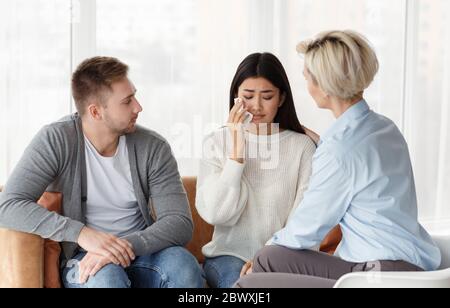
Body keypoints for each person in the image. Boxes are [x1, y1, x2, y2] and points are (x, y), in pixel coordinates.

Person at [235, 30, 441, 288]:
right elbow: (359, 172)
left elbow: (307, 229)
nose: (306, 84)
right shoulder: (384, 128)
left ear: (324, 85)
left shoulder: (340, 148)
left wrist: (257, 258)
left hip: (381, 276)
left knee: (248, 286)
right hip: (408, 262)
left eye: (308, 77)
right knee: (269, 256)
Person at [0, 57, 205, 288]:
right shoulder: (56, 140)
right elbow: (7, 206)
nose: (138, 107)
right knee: (107, 280)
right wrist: (82, 234)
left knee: (184, 267)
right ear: (96, 112)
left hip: (141, 249)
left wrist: (119, 247)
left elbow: (179, 222)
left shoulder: (153, 147)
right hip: (83, 256)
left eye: (134, 96)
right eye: (127, 102)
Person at [195, 52, 316, 288]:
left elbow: (304, 219)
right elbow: (216, 213)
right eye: (248, 96)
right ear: (235, 98)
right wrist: (237, 152)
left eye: (267, 96)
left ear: (281, 98)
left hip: (282, 257)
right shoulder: (216, 142)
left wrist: (270, 258)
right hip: (228, 257)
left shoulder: (301, 147)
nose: (257, 106)